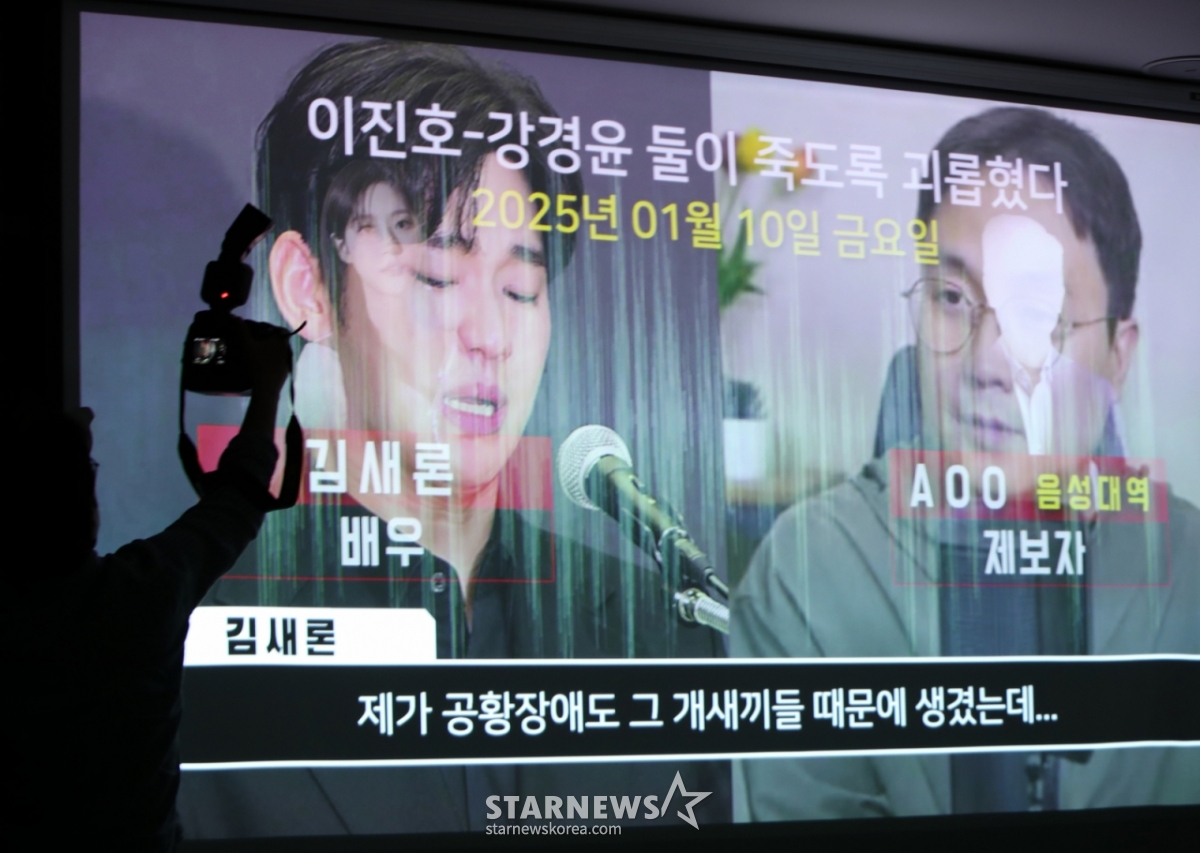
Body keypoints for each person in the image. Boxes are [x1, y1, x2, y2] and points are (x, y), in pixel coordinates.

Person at [179, 40, 728, 836]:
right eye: (437, 277)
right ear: (309, 287)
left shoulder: (661, 638)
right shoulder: (195, 642)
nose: (491, 336)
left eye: (521, 287)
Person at [731, 107, 1199, 820]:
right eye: (952, 298)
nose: (986, 362)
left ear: (1117, 353)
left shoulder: (1188, 566)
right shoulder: (810, 569)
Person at [11, 322, 293, 849]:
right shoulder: (139, 595)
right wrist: (269, 388)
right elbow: (238, 499)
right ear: (88, 511)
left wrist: (57, 453)